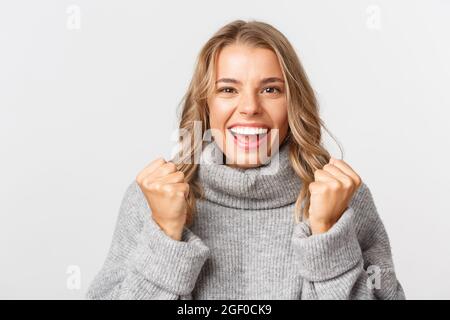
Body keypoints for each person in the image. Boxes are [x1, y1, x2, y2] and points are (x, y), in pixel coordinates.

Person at [86, 19, 405, 300]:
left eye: (271, 90)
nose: (250, 107)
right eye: (228, 89)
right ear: (205, 104)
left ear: (293, 105)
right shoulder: (152, 200)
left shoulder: (344, 199)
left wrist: (326, 232)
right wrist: (167, 233)